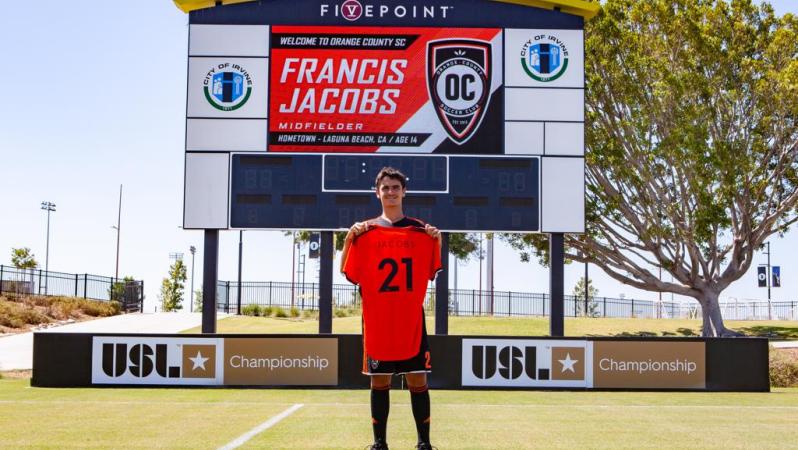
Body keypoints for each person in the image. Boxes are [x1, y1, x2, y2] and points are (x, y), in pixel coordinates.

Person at [341, 167, 441, 450]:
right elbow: (345, 269)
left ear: (404, 191)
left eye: (395, 187)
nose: (391, 192)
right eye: (385, 188)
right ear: (377, 192)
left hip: (410, 317)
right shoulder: (365, 231)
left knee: (417, 378)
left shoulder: (421, 231)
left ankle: (424, 443)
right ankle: (379, 443)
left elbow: (433, 267)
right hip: (378, 318)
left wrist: (438, 239)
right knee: (379, 380)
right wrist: (349, 239)